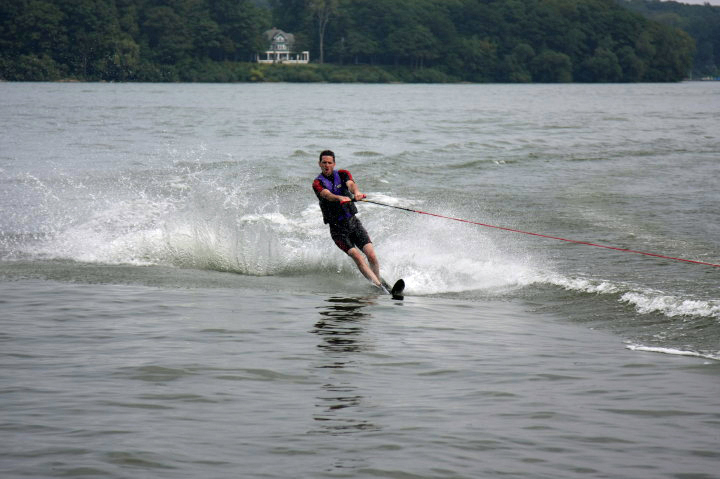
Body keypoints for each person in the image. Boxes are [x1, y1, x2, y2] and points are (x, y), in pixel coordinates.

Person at [312, 150, 387, 290]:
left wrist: (357, 193)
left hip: (353, 223)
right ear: (319, 164)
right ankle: (378, 286)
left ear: (334, 164)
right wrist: (340, 198)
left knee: (371, 255)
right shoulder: (317, 183)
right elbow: (327, 195)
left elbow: (351, 185)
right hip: (337, 230)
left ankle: (378, 283)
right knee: (357, 256)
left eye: (329, 163)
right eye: (324, 163)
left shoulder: (342, 174)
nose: (326, 165)